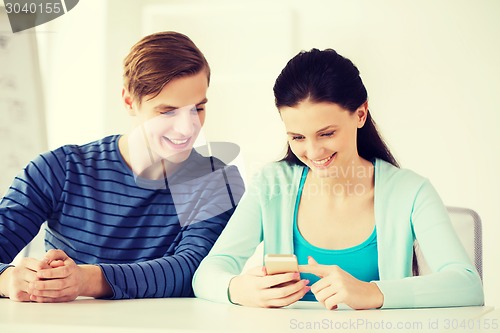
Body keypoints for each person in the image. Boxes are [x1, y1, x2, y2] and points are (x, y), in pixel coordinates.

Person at [192, 48, 484, 309]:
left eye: (327, 133)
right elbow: (207, 274)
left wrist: (372, 293)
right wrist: (236, 289)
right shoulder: (272, 184)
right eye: (297, 137)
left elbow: (467, 285)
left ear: (360, 114)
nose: (313, 151)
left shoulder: (410, 192)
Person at [0, 31, 244, 302]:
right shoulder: (59, 170)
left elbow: (194, 270)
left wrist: (85, 280)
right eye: (168, 112)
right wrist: (7, 278)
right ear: (129, 101)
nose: (188, 128)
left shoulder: (217, 181)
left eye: (197, 108)